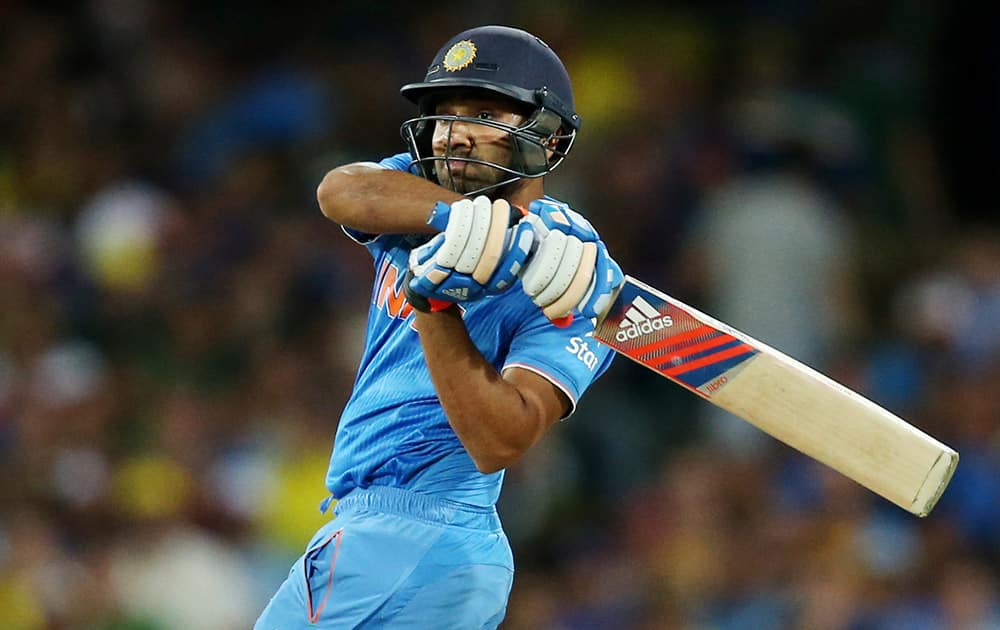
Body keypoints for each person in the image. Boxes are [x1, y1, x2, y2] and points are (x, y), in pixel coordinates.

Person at [254, 25, 623, 629]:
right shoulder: (422, 193)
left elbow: (502, 440)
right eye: (445, 114)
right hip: (391, 536)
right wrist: (474, 228)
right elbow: (339, 190)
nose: (454, 131)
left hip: (421, 528)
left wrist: (437, 308)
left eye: (482, 112)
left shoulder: (575, 271)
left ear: (548, 139)